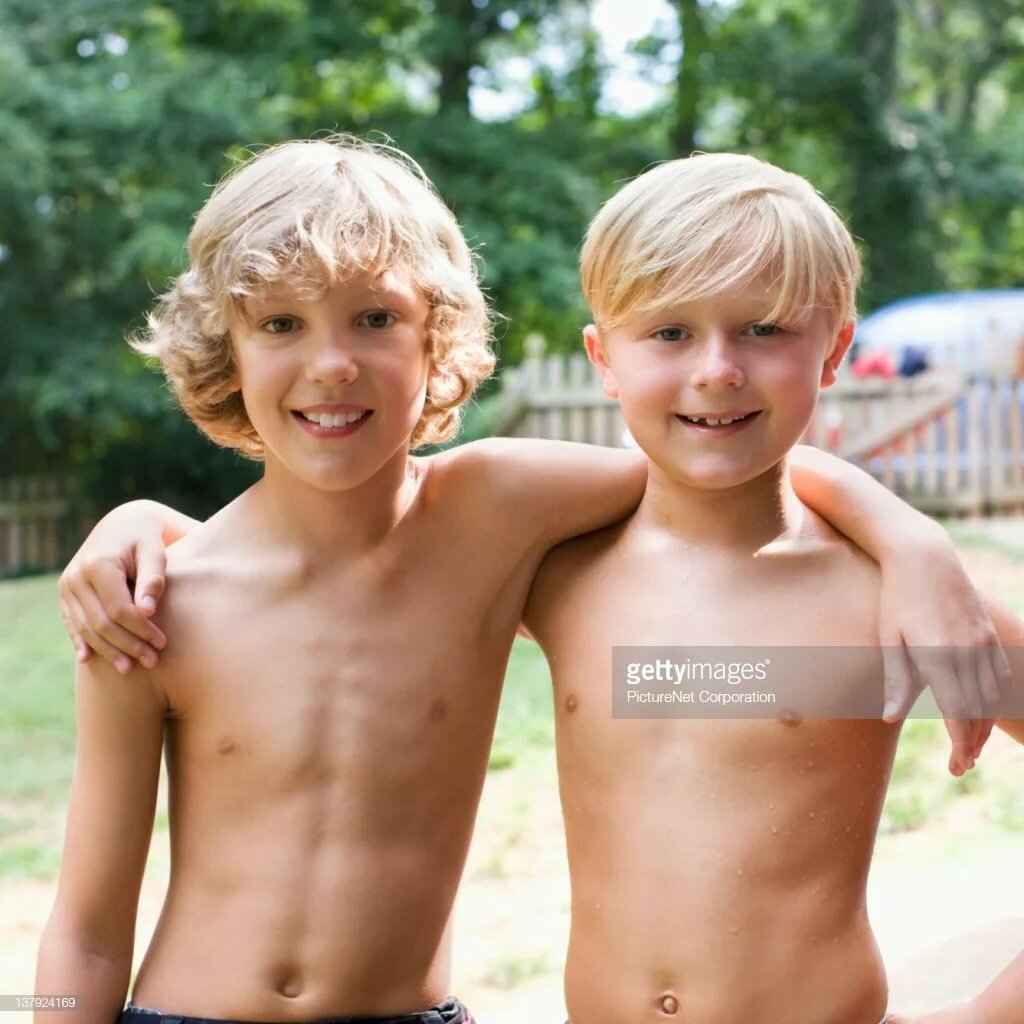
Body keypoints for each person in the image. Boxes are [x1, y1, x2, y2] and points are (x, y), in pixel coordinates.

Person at [47, 136, 1005, 1024]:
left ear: (434, 339)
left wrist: (909, 539)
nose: (332, 362)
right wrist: (136, 524)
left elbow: (712, 471)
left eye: (375, 318)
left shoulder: (510, 525)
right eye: (283, 324)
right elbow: (85, 930)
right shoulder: (164, 604)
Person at [521, 152, 1024, 1024]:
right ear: (605, 358)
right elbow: (305, 552)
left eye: (764, 330)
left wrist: (983, 1014)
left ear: (833, 350)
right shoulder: (553, 571)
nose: (717, 369)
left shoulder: (884, 601)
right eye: (669, 333)